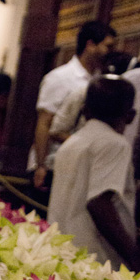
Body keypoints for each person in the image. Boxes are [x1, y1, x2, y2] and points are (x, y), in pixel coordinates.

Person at [48, 75, 140, 271]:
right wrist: (136, 258)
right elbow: (98, 203)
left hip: (62, 253)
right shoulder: (115, 144)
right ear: (131, 116)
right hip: (95, 262)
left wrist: (137, 196)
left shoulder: (72, 142)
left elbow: (80, 195)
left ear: (85, 111)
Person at [32, 20, 116, 191]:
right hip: (54, 162)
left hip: (82, 167)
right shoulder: (60, 77)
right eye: (107, 46)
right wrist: (41, 165)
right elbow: (44, 123)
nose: (110, 53)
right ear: (90, 45)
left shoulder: (101, 80)